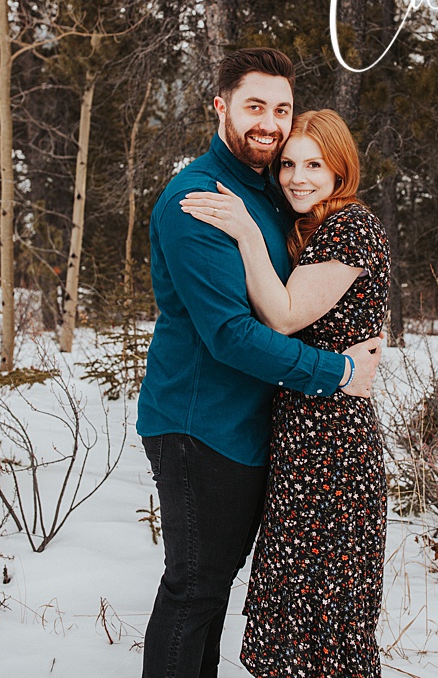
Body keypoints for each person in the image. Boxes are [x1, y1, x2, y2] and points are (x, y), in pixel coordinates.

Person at [138, 48, 382, 678]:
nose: (270, 122)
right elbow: (231, 335)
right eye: (254, 106)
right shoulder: (198, 201)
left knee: (213, 589)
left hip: (253, 429)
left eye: (282, 108)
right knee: (193, 589)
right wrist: (340, 373)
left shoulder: (268, 194)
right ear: (221, 106)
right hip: (200, 424)